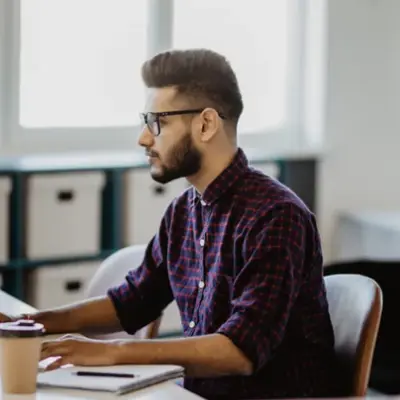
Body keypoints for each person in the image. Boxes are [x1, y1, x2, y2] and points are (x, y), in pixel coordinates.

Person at [0, 49, 338, 399]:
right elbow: (131, 302)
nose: (144, 138)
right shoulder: (183, 210)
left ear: (206, 124)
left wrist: (113, 353)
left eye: (156, 122)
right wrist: (31, 324)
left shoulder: (276, 217)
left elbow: (240, 351)